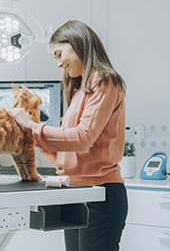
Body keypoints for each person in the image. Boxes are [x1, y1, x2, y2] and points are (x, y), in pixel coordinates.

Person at [10, 20, 128, 251]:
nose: (58, 63)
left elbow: (82, 138)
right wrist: (29, 136)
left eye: (59, 54)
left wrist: (32, 126)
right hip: (74, 191)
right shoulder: (79, 88)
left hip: (99, 193)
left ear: (77, 43)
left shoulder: (103, 79)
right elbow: (71, 151)